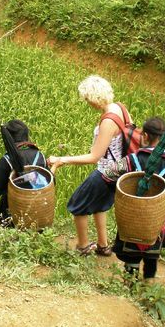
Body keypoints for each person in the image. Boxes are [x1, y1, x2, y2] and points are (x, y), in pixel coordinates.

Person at [48, 75, 132, 256]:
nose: (87, 103)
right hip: (120, 170)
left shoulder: (108, 121)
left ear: (94, 98)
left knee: (77, 204)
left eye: (87, 99)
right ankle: (103, 246)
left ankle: (83, 246)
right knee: (99, 204)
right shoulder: (120, 108)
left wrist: (63, 160)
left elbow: (94, 156)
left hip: (107, 172)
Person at [103, 117, 165, 281]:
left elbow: (108, 175)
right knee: (151, 260)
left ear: (144, 136)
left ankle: (130, 289)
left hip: (132, 222)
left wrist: (122, 188)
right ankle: (149, 289)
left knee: (131, 260)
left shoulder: (132, 160)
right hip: (156, 224)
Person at [0, 120, 48, 228]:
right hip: (37, 214)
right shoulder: (40, 156)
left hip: (11, 215)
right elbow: (50, 182)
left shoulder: (7, 159)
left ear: (9, 138)